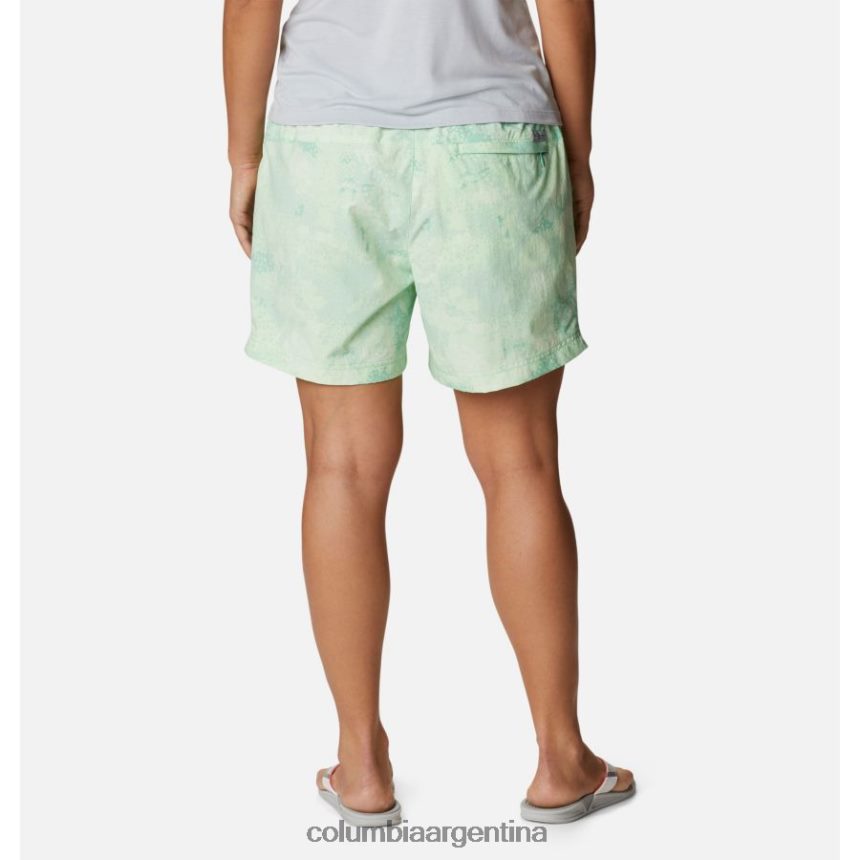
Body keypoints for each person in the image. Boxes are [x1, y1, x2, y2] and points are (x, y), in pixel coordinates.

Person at [223, 0, 634, 827]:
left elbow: (248, 5)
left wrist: (243, 155)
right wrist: (578, 151)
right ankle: (561, 759)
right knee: (520, 465)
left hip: (325, 144)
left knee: (340, 467)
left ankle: (360, 766)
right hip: (491, 137)